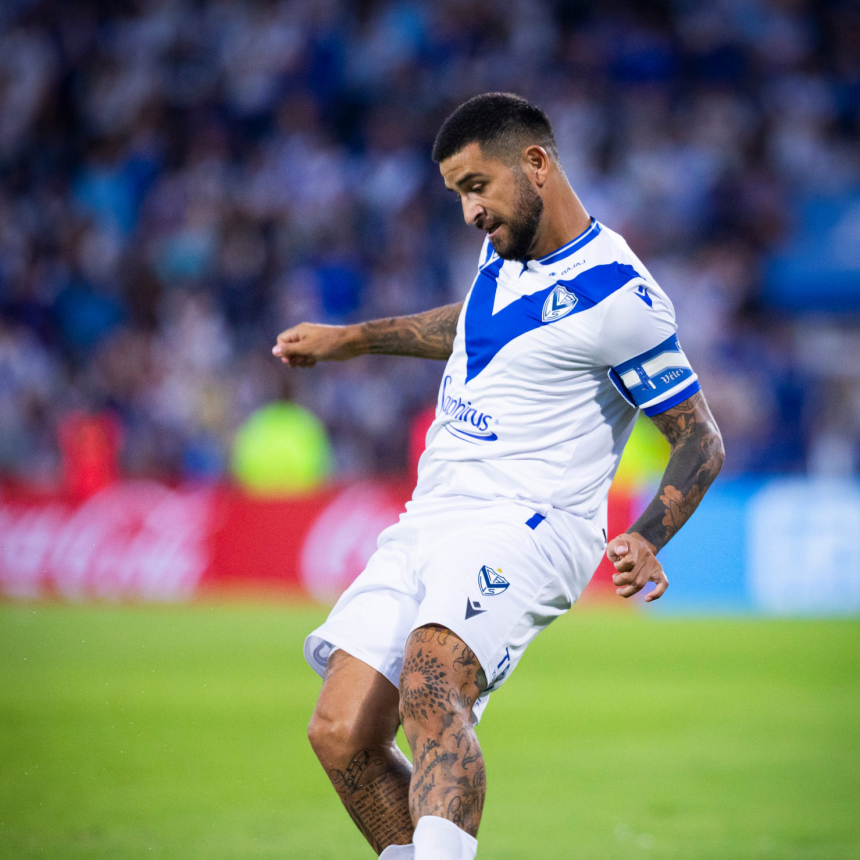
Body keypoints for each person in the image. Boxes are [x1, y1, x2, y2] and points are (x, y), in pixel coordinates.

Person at [272, 93, 724, 860]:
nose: (469, 211)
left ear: (536, 164)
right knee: (341, 732)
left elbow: (700, 439)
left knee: (430, 683)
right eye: (458, 194)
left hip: (528, 520)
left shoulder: (621, 297)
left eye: (476, 186)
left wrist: (649, 536)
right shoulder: (506, 250)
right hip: (433, 513)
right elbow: (474, 325)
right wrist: (353, 339)